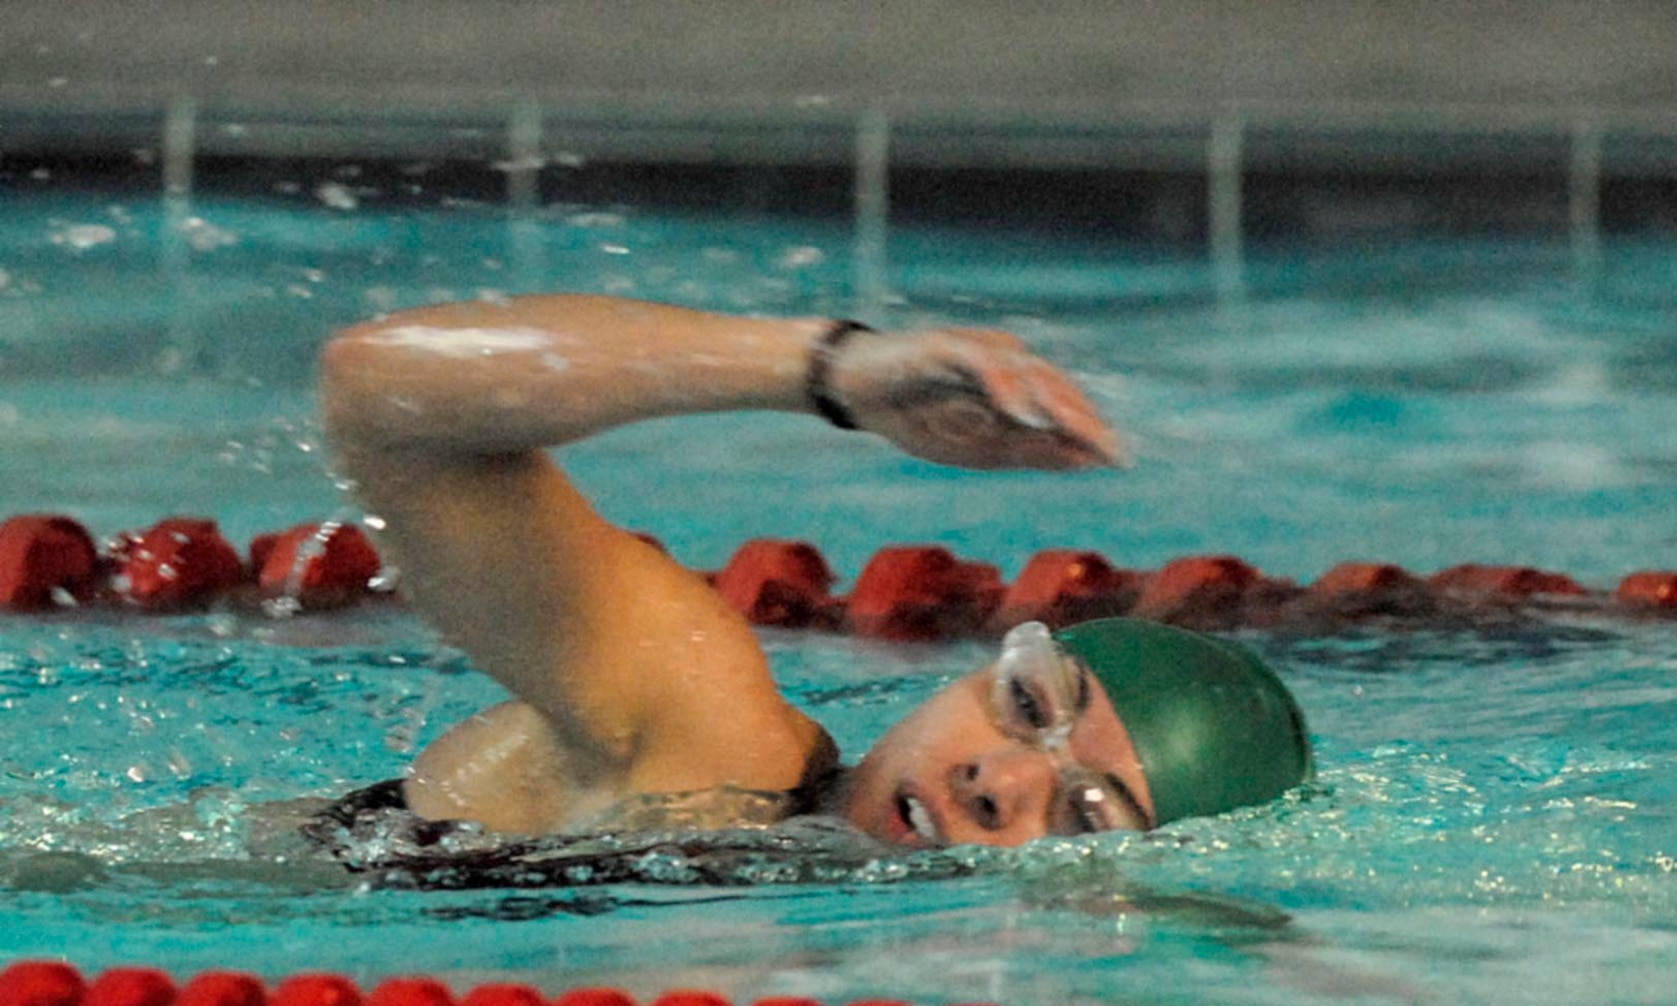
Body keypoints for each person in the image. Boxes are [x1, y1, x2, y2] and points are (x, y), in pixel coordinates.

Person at [320, 295, 1311, 850]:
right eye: (1022, 703)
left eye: (1082, 814)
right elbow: (377, 393)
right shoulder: (709, 734)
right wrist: (825, 370)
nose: (993, 778)